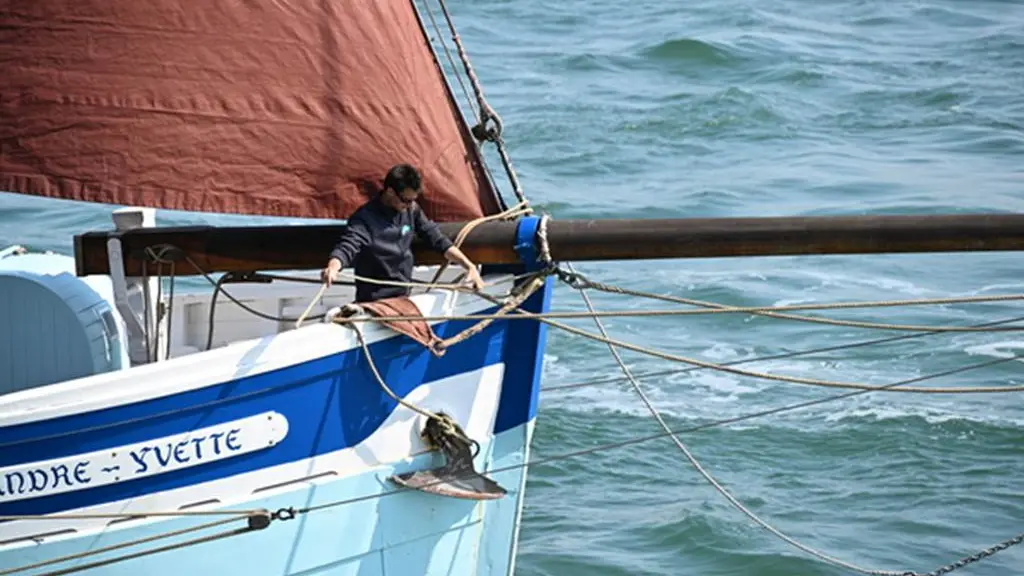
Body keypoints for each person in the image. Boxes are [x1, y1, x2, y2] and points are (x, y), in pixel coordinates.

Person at [320, 163, 485, 302]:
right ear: (390, 192)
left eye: (413, 200)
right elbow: (348, 246)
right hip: (374, 299)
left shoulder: (411, 210)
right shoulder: (364, 219)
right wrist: (333, 267)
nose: (409, 205)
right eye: (406, 200)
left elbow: (436, 239)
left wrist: (469, 266)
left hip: (404, 294)